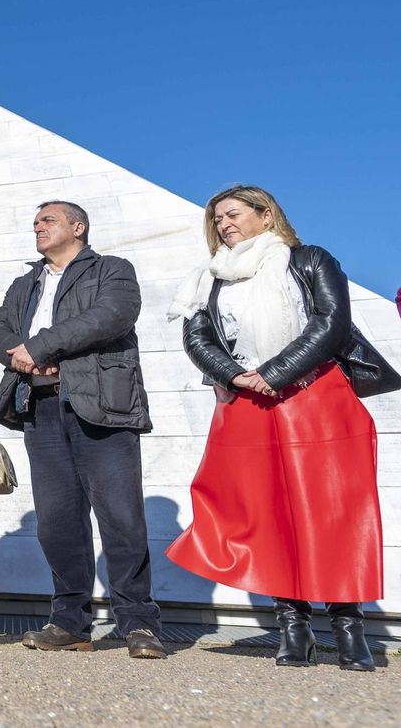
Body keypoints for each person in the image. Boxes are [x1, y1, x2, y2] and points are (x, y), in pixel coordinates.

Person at [167, 186, 397, 671]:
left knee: (336, 509)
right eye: (217, 219)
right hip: (246, 402)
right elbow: (197, 334)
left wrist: (276, 371)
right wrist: (235, 375)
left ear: (265, 214)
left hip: (317, 396)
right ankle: (293, 628)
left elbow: (332, 322)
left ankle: (347, 627)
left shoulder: (309, 259)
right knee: (263, 509)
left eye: (233, 214)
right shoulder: (208, 278)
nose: (224, 224)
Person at [0, 201, 167, 659]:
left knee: (121, 518)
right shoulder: (25, 283)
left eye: (48, 220)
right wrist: (21, 354)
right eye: (35, 223)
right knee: (57, 523)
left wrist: (41, 345)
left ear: (77, 227)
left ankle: (138, 624)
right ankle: (69, 623)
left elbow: (111, 316)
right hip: (41, 407)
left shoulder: (112, 269)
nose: (38, 227)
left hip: (101, 406)